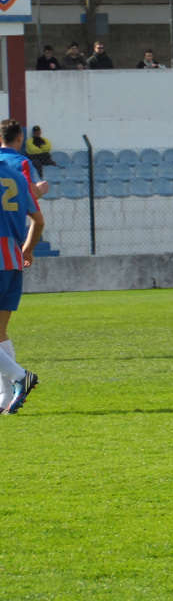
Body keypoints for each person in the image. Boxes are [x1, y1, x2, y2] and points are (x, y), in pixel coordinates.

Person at [0, 158, 44, 415]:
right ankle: (5, 399)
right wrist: (27, 250)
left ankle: (20, 376)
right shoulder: (17, 177)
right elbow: (38, 220)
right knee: (0, 332)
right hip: (13, 259)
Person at [0, 119, 49, 207]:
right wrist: (40, 190)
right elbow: (30, 196)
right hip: (14, 214)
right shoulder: (22, 162)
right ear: (20, 138)